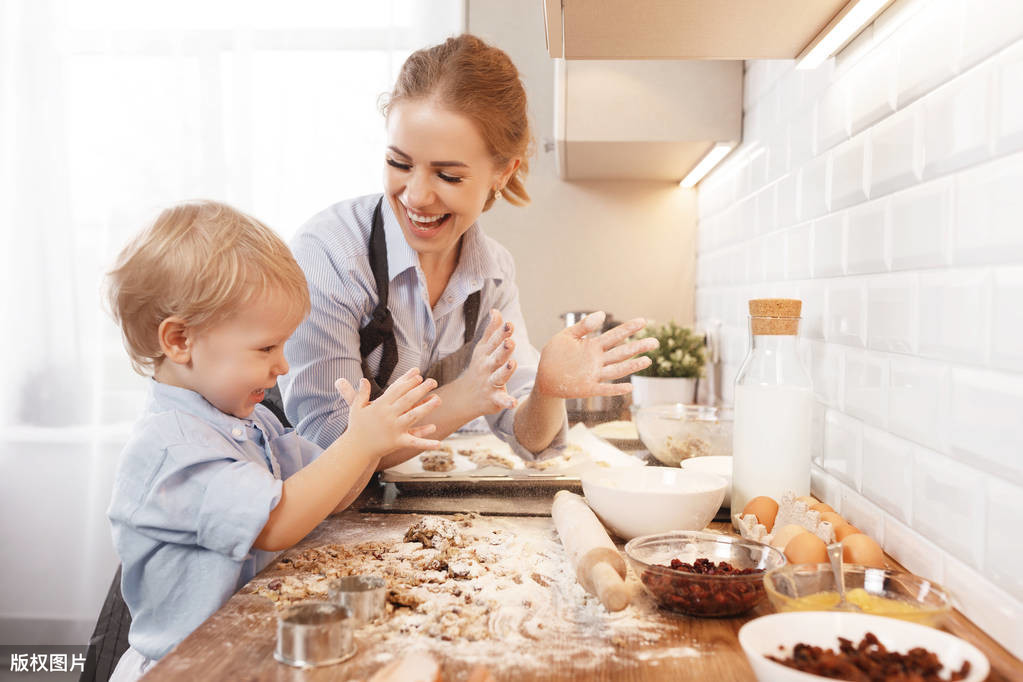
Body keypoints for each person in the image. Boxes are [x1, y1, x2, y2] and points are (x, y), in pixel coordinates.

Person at [281, 34, 658, 479]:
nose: (417, 196)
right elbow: (329, 445)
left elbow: (530, 438)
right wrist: (466, 397)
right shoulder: (331, 254)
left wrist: (547, 391)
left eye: (447, 175)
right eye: (400, 164)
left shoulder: (492, 274)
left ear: (503, 171)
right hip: (291, 501)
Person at [104, 201, 441, 681]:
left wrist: (369, 437)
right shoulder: (169, 452)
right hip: (187, 669)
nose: (282, 366)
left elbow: (332, 495)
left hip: (248, 654)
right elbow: (277, 522)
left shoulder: (252, 420)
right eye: (265, 348)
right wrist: (360, 445)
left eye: (283, 345)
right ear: (180, 341)